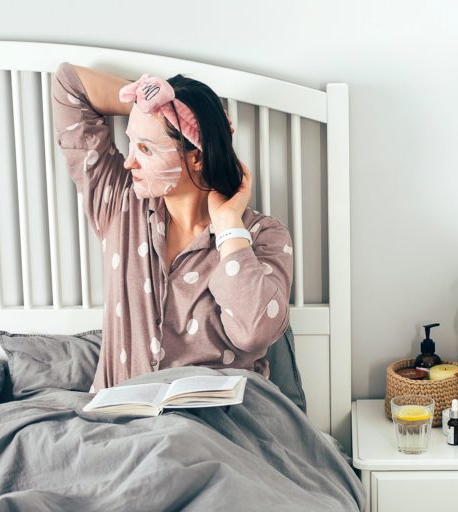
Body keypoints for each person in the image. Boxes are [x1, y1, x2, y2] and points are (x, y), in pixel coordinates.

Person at [51, 62, 293, 393]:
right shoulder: (118, 204)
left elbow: (254, 331)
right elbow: (69, 85)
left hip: (217, 428)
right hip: (121, 427)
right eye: (131, 142)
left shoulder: (264, 235)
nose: (129, 161)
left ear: (196, 156)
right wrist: (152, 104)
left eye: (146, 149)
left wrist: (228, 228)